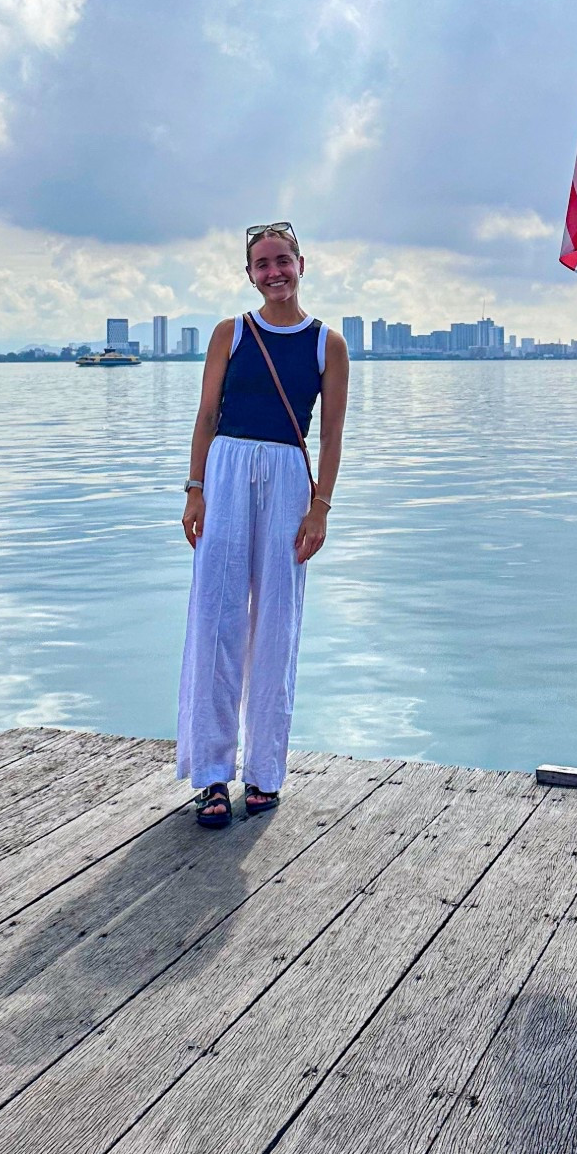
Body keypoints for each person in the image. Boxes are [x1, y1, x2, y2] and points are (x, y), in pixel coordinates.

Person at [176, 222, 350, 827]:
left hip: (288, 480)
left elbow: (330, 435)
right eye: (261, 264)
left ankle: (265, 772)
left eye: (283, 260)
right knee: (217, 619)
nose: (274, 272)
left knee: (278, 620)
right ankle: (212, 776)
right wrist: (195, 491)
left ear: (303, 263)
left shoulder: (328, 342)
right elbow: (205, 416)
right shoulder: (231, 334)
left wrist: (320, 507)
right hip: (224, 473)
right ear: (249, 274)